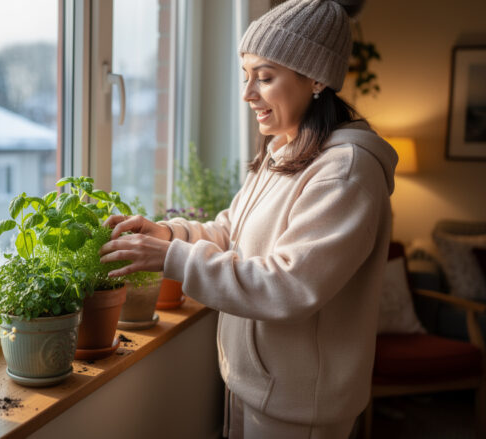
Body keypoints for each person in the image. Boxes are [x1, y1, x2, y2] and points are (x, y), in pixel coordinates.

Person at [99, 0, 397, 437]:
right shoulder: (284, 152)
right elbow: (231, 231)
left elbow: (289, 286)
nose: (247, 93)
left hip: (300, 405)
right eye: (246, 76)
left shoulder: (346, 172)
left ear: (316, 78)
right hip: (255, 385)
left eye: (265, 77)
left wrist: (172, 258)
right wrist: (165, 234)